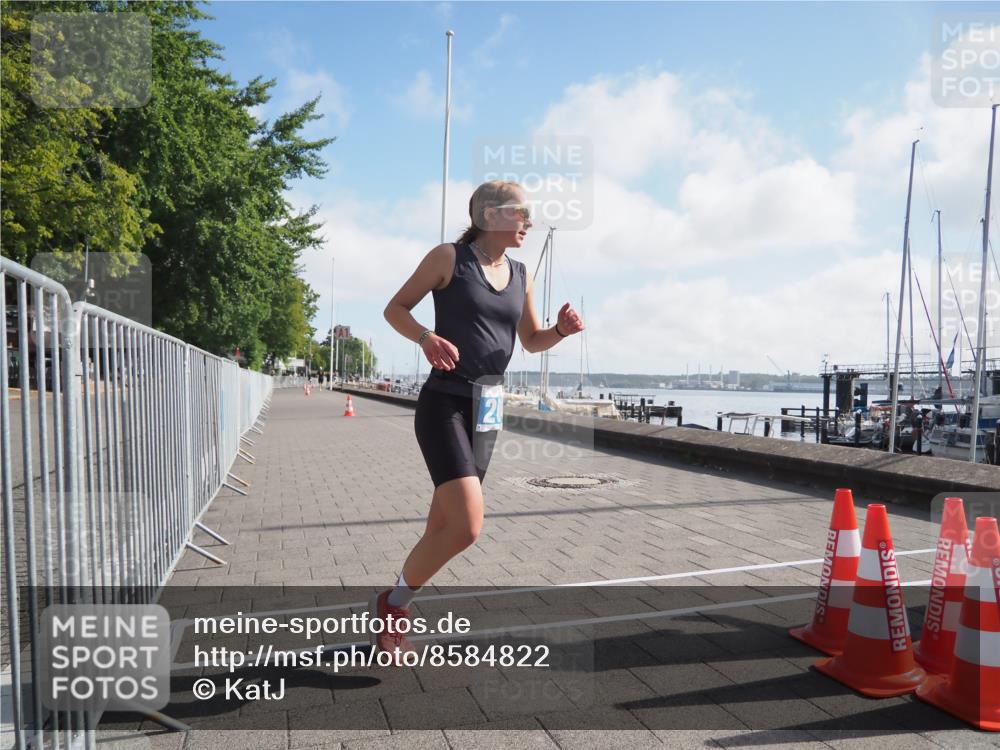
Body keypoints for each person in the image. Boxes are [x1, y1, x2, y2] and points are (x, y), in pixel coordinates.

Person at [377, 180, 584, 661]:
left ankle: (396, 607)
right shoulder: (448, 258)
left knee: (442, 528)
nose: (529, 222)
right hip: (444, 402)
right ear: (490, 214)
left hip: (489, 406)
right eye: (522, 212)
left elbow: (531, 341)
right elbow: (395, 308)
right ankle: (391, 607)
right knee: (467, 527)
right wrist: (426, 337)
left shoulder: (521, 273)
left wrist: (560, 331)